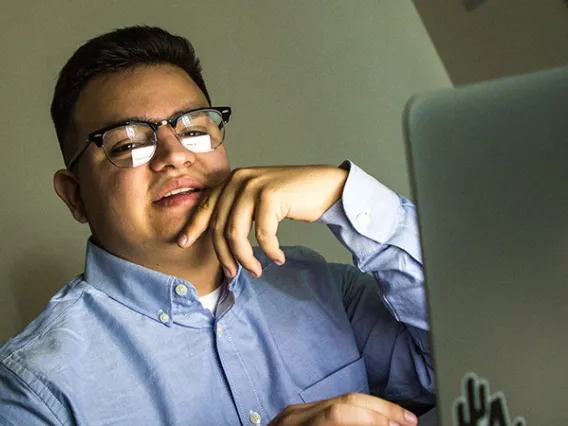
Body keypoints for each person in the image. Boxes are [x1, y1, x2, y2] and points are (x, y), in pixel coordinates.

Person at [0, 26, 434, 426]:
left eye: (193, 128)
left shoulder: (322, 286)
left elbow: (462, 360)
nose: (174, 154)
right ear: (75, 195)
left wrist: (345, 196)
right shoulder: (33, 390)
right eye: (129, 143)